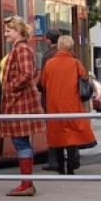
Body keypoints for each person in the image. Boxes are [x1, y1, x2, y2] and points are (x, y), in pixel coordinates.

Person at [0, 16, 45, 196]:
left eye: (9, 30)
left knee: (21, 142)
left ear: (18, 31)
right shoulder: (21, 48)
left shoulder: (22, 49)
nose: (5, 34)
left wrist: (10, 87)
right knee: (21, 142)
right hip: (20, 101)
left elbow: (27, 73)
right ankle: (26, 183)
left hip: (20, 102)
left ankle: (27, 184)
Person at [41, 36, 97, 175]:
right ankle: (71, 166)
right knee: (72, 136)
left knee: (57, 135)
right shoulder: (75, 63)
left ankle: (60, 168)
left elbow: (43, 83)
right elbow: (84, 78)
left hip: (53, 105)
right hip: (72, 104)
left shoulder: (49, 63)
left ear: (59, 47)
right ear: (71, 48)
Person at [40, 28, 64, 172]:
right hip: (67, 99)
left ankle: (54, 161)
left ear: (49, 39)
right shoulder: (69, 54)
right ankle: (72, 159)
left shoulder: (48, 56)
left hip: (51, 98)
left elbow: (43, 81)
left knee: (53, 129)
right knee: (66, 127)